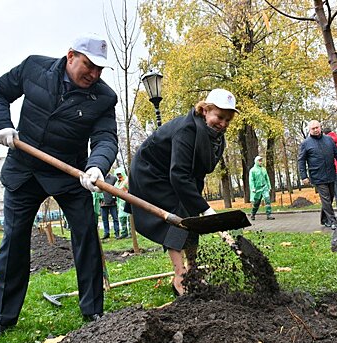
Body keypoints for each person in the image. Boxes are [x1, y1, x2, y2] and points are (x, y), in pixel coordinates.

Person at [0, 33, 118, 343]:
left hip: (69, 173)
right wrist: (1, 125)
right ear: (71, 56)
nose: (94, 74)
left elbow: (106, 138)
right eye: (89, 65)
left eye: (100, 69)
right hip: (24, 169)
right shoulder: (33, 69)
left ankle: (93, 311)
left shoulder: (103, 97)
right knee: (14, 240)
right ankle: (2, 320)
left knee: (85, 233)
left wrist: (96, 166)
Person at [127, 88, 238, 296]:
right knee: (177, 216)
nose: (223, 123)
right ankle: (180, 276)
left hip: (176, 174)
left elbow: (194, 172)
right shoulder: (187, 130)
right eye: (219, 116)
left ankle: (193, 270)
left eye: (227, 120)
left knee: (191, 215)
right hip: (151, 173)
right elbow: (178, 175)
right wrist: (206, 209)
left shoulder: (215, 137)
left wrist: (199, 208)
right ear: (205, 110)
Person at [298, 120, 337, 230]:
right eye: (313, 128)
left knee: (330, 197)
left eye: (317, 127)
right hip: (317, 176)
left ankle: (324, 218)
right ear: (309, 130)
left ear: (320, 127)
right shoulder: (306, 143)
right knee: (325, 198)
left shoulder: (329, 140)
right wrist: (304, 176)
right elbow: (301, 161)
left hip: (331, 173)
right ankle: (333, 221)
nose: (316, 130)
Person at [248, 156, 275, 220]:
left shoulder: (263, 169)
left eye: (261, 160)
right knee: (256, 203)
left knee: (267, 200)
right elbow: (251, 180)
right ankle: (253, 214)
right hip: (257, 189)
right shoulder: (252, 170)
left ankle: (269, 215)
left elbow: (267, 178)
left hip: (264, 187)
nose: (261, 162)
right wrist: (253, 188)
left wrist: (269, 186)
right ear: (256, 161)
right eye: (259, 161)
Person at [100, 173, 120, 239]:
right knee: (104, 219)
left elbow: (117, 188)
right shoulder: (100, 178)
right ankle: (106, 233)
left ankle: (117, 233)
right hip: (103, 202)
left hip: (112, 202)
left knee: (115, 218)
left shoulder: (114, 178)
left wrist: (114, 197)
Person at [114, 167, 130, 238]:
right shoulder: (117, 182)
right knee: (122, 217)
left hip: (128, 201)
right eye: (117, 174)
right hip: (120, 202)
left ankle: (131, 233)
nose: (119, 176)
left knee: (129, 217)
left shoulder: (127, 180)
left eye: (120, 174)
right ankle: (124, 233)